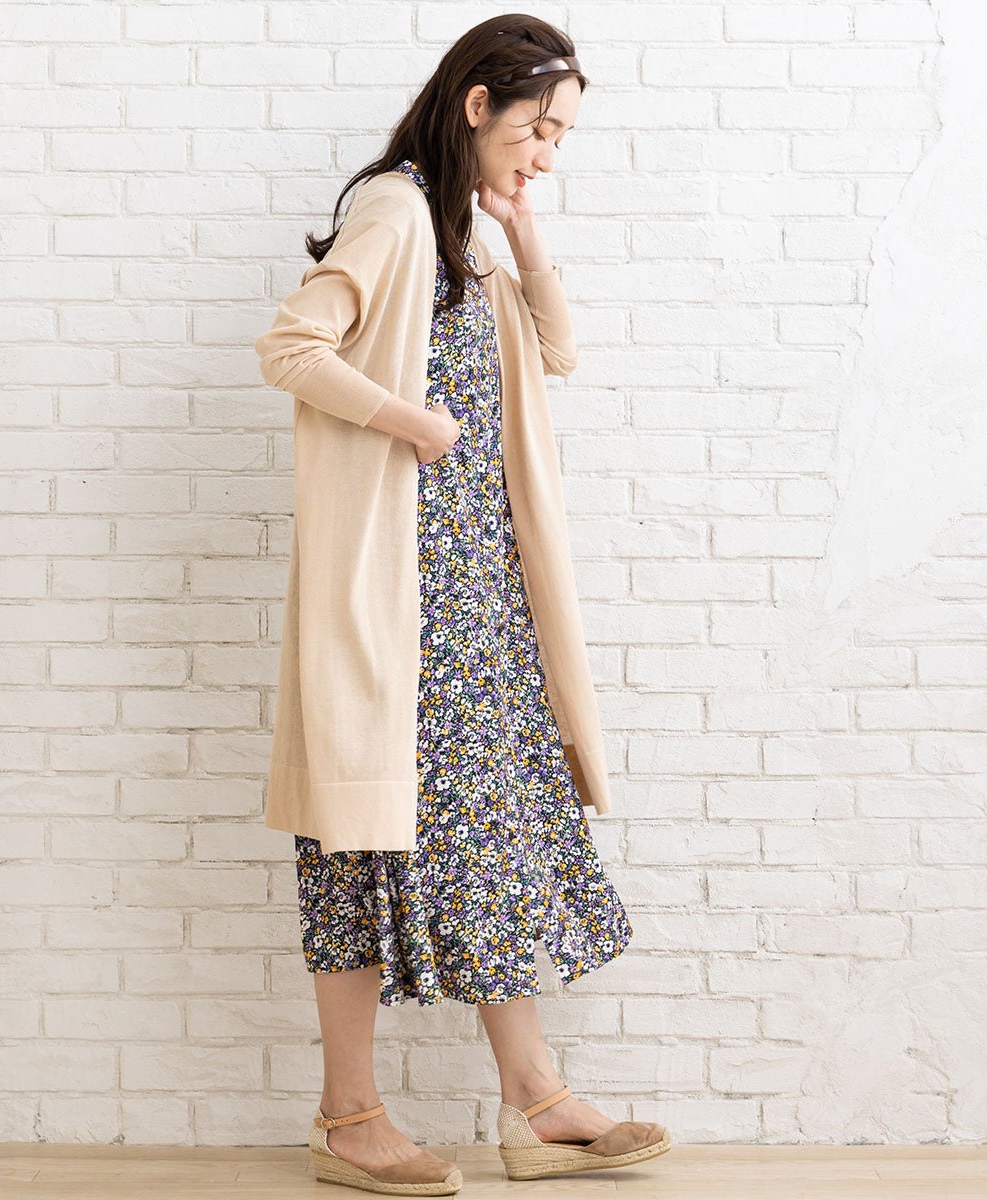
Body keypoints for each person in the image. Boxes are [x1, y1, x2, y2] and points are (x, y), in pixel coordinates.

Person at [254, 15, 671, 1196]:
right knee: (359, 839)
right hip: (395, 595)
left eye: (562, 137)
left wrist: (523, 233)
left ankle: (533, 1100)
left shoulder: (461, 235)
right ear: (478, 103)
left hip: (474, 600)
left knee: (496, 829)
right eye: (539, 129)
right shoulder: (395, 213)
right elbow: (291, 346)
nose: (546, 152)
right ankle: (349, 1117)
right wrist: (411, 421)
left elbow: (557, 353)